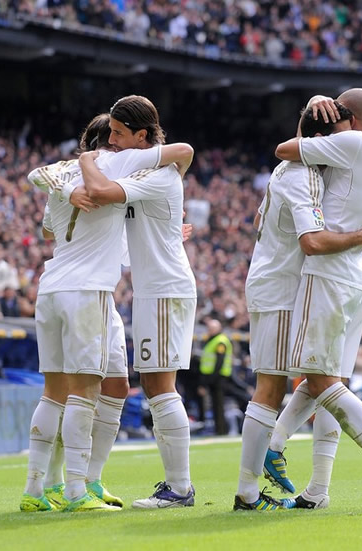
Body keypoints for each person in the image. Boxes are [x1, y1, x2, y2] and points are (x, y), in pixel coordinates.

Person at [20, 110, 194, 512]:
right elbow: (180, 153)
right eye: (113, 136)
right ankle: (74, 489)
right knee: (84, 390)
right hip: (89, 290)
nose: (117, 142)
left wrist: (68, 191)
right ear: (108, 146)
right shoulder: (113, 165)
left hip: (56, 288)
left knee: (97, 387)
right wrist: (87, 173)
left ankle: (42, 488)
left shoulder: (60, 173)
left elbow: (48, 223)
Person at [267, 88, 362, 511]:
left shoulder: (351, 142)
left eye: (336, 110)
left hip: (331, 271)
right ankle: (315, 489)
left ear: (348, 117)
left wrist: (316, 106)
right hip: (356, 274)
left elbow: (285, 149)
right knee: (326, 379)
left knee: (321, 380)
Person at [234, 102, 362, 511]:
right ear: (319, 141)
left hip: (272, 281)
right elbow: (312, 242)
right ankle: (247, 493)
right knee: (271, 388)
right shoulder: (302, 175)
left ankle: (287, 474)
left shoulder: (287, 170)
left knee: (316, 379)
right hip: (282, 288)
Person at [78, 94, 196, 509]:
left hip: (164, 288)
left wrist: (86, 159)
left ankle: (179, 488)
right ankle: (176, 486)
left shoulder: (159, 174)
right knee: (154, 385)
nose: (110, 141)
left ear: (141, 135)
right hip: (154, 288)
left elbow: (101, 191)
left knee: (160, 388)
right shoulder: (152, 169)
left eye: (117, 133)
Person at [199, 318, 234, 435]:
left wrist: (212, 377)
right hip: (212, 377)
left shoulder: (220, 341)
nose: (209, 330)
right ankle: (219, 429)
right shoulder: (212, 340)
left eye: (212, 328)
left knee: (218, 405)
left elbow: (219, 361)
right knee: (215, 405)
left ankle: (221, 430)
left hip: (218, 377)